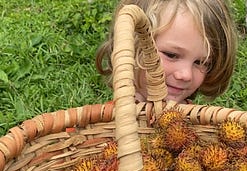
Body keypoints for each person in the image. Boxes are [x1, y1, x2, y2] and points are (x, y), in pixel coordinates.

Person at [96, 0, 238, 104]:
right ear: (130, 48)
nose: (186, 75)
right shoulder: (104, 124)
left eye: (201, 62)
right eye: (171, 55)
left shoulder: (198, 127)